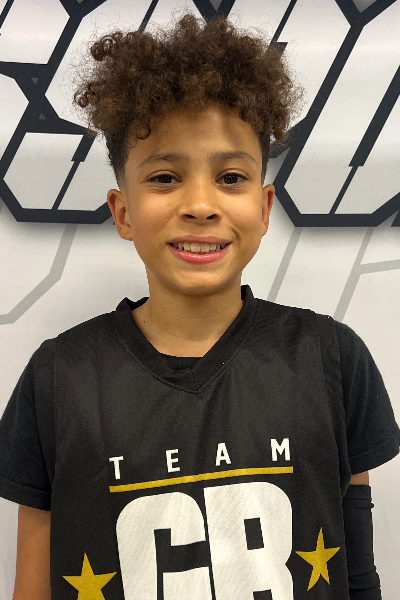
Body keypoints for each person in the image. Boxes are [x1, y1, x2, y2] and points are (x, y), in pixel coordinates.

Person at [0, 12, 399, 600]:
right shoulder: (57, 379)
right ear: (123, 212)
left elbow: (357, 574)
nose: (201, 204)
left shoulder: (331, 360)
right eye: (165, 177)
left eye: (231, 177)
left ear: (264, 207)